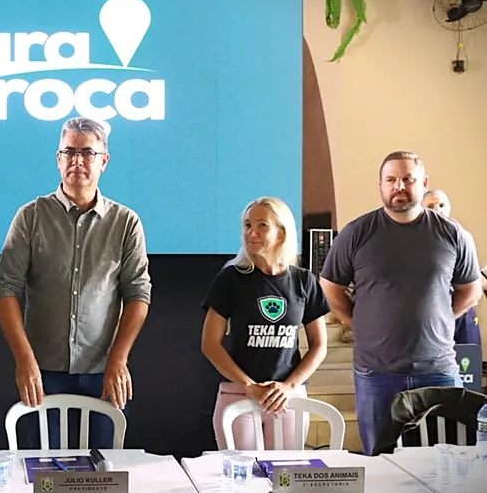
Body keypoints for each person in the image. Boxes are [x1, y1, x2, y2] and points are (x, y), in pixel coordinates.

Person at [0, 116, 152, 449]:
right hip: (42, 370)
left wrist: (119, 358)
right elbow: (5, 288)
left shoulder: (125, 223)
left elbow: (138, 294)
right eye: (69, 152)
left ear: (104, 161)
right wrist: (24, 359)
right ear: (58, 158)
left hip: (103, 371)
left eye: (88, 153)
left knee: (101, 468)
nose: (77, 160)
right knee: (43, 468)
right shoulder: (31, 216)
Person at [320, 151, 481, 456]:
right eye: (391, 179)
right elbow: (330, 287)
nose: (399, 186)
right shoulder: (356, 233)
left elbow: (471, 291)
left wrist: (442, 317)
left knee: (447, 462)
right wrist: (358, 322)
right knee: (381, 461)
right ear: (380, 185)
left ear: (424, 183)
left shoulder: (453, 234)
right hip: (376, 373)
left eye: (408, 179)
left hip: (438, 371)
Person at [201, 197, 330, 450]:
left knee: (285, 472)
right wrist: (249, 386)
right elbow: (210, 344)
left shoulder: (304, 281)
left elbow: (319, 345)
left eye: (262, 225)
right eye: (247, 225)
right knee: (241, 473)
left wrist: (289, 386)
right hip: (238, 394)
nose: (252, 233)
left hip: (287, 397)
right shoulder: (230, 278)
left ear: (282, 233)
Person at [422, 189, 484, 352]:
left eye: (442, 205)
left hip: (462, 314)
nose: (437, 210)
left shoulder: (463, 237)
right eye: (431, 206)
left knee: (468, 361)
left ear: (449, 208)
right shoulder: (414, 242)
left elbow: (473, 283)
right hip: (430, 316)